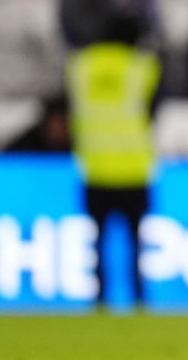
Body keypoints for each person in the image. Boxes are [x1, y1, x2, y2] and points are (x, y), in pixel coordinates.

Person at [66, 16, 162, 309]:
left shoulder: (81, 66)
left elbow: (70, 108)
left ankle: (98, 298)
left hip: (95, 168)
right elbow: (153, 108)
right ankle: (139, 297)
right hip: (133, 169)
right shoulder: (141, 67)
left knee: (97, 241)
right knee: (136, 241)